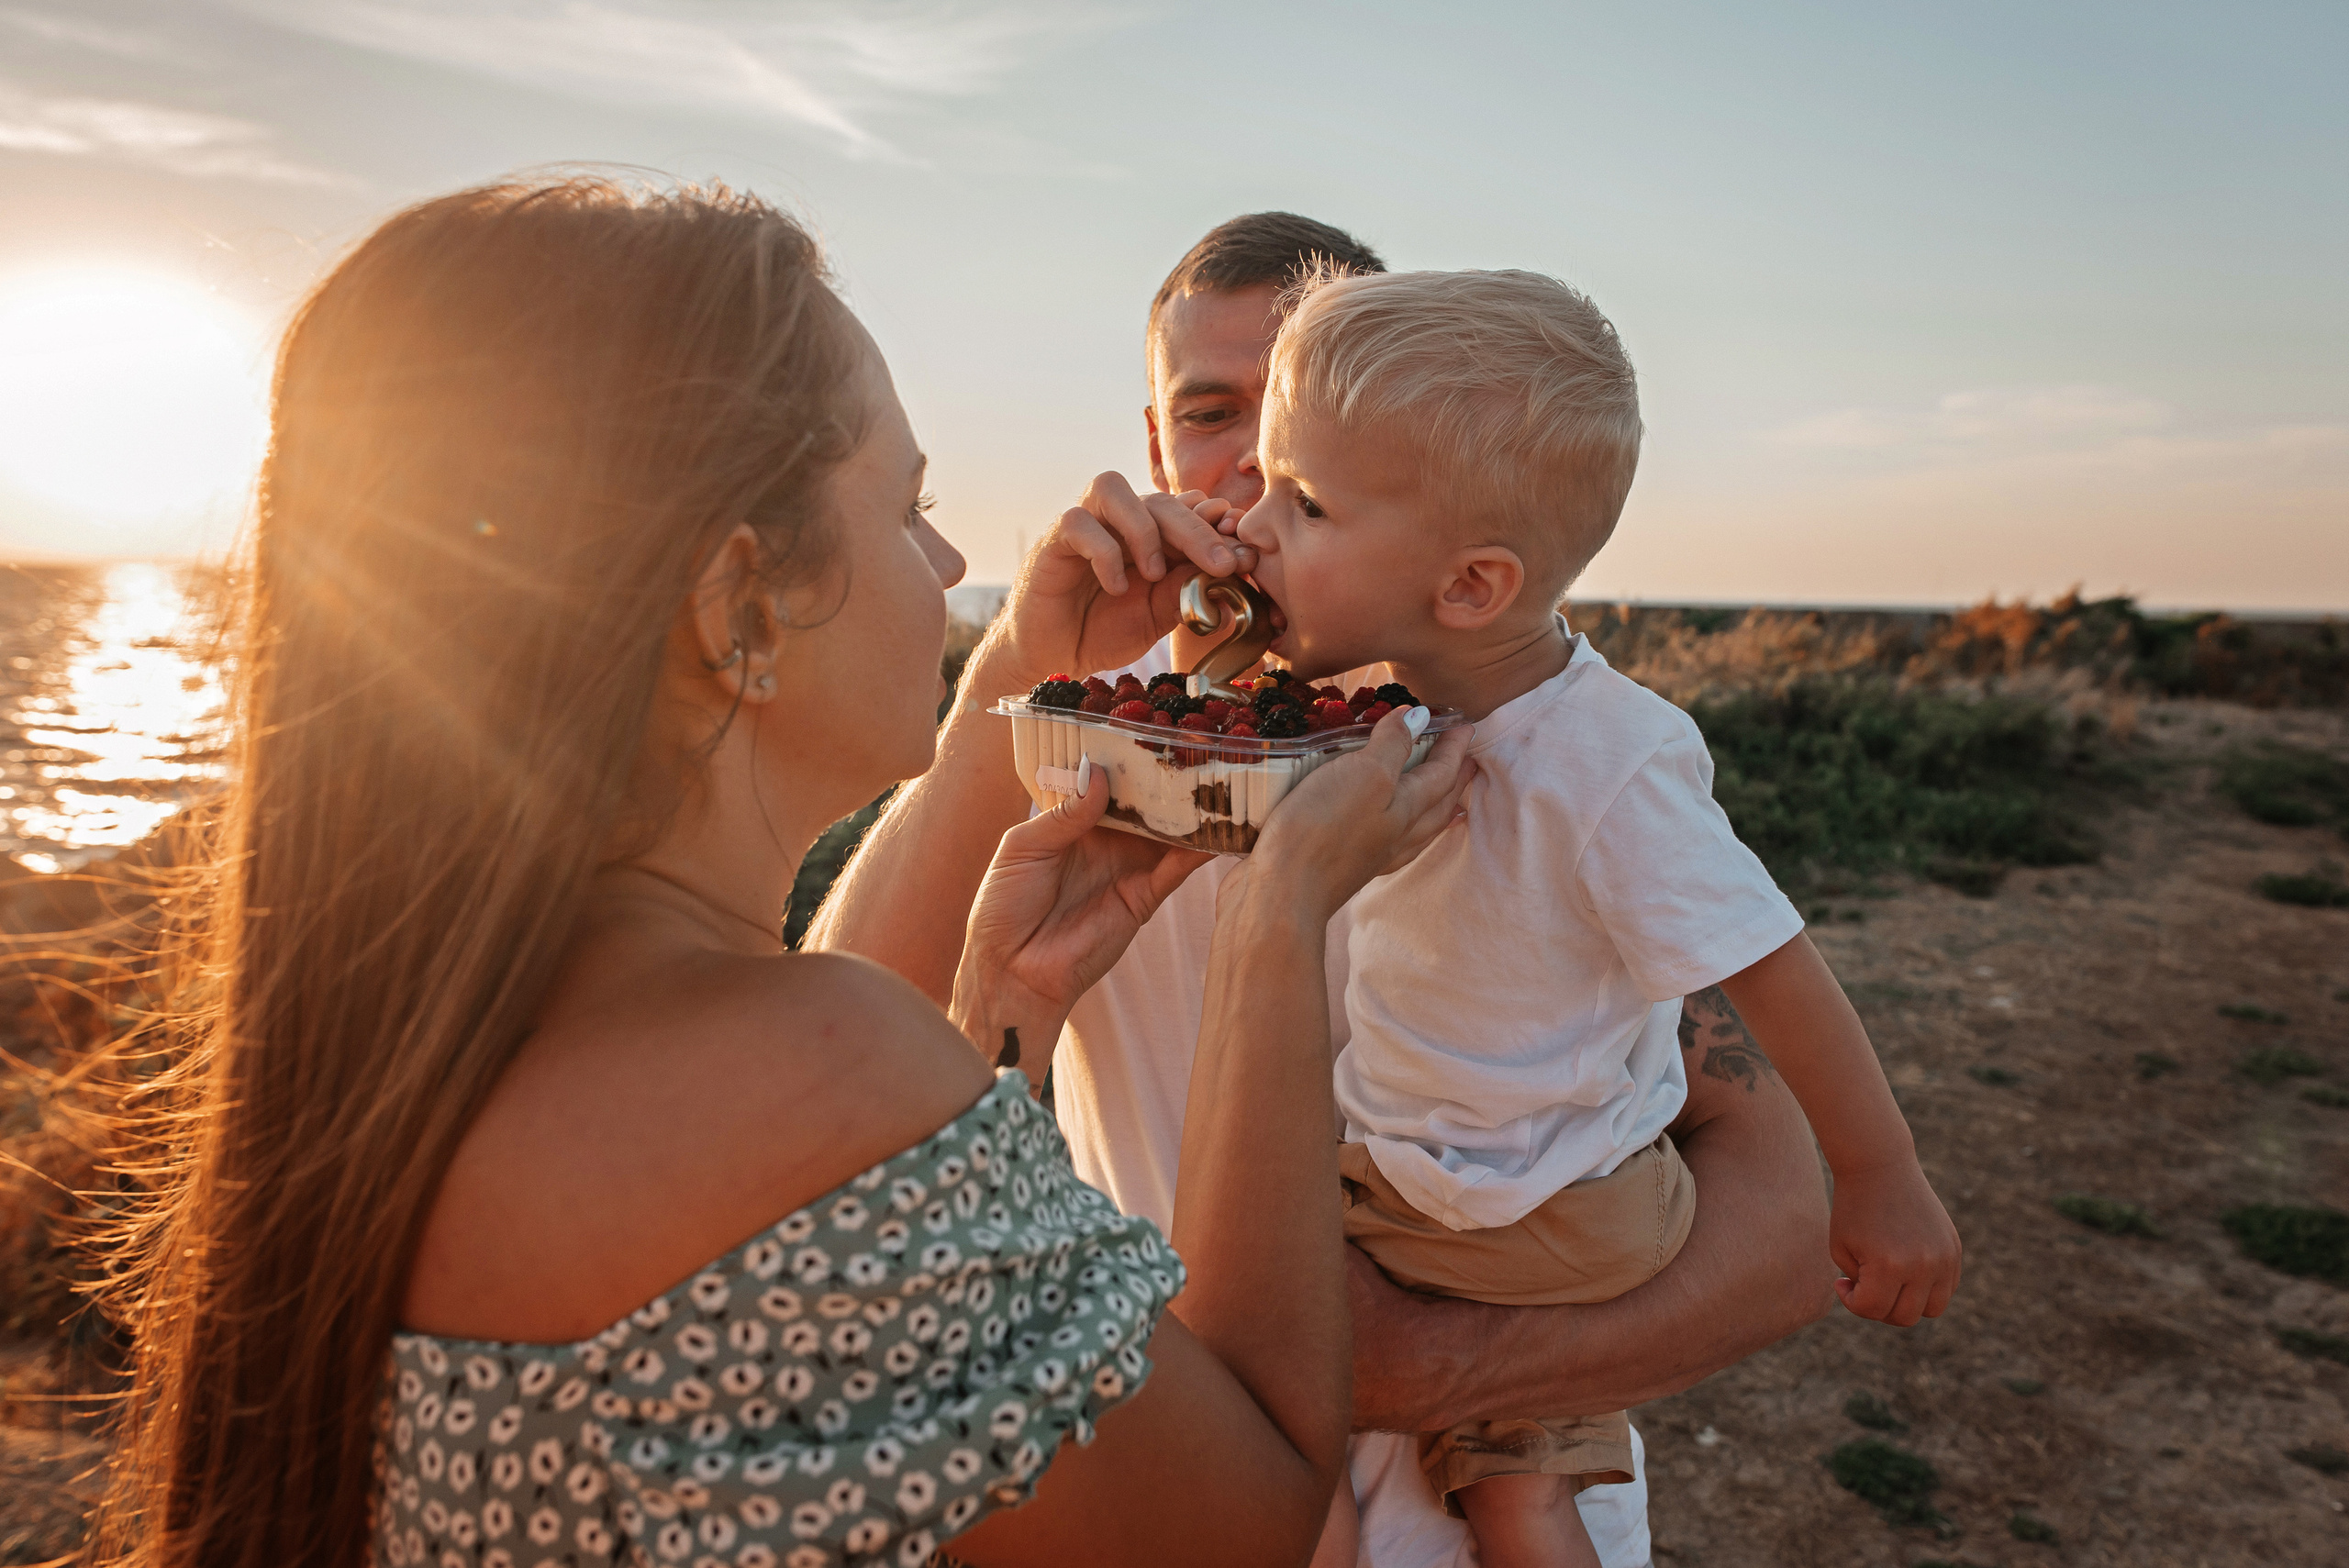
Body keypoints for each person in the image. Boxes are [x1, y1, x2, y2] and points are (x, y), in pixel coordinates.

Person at [83, 176, 1475, 1568]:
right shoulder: (805, 1071)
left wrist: (1001, 1021)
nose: (953, 561)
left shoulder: (433, 1034)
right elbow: (1247, 1519)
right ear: (738, 603)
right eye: (910, 506)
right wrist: (1281, 909)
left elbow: (834, 1275)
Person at [818, 215, 1843, 1568]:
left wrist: (1432, 1365)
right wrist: (1018, 667)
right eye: (1212, 413)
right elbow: (823, 1075)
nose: (1257, 462)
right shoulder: (1095, 741)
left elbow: (1790, 1223)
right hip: (1189, 1508)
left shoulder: (1522, 747)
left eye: (1307, 420)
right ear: (1156, 439)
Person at [1236, 266, 1966, 1566]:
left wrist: (1879, 1173)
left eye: (1303, 502)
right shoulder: (1415, 698)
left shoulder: (1610, 760)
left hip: (1527, 1207)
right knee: (1466, 1474)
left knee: (1260, 1353)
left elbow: (1772, 964)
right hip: (1457, 1180)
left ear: (1471, 585)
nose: (1253, 524)